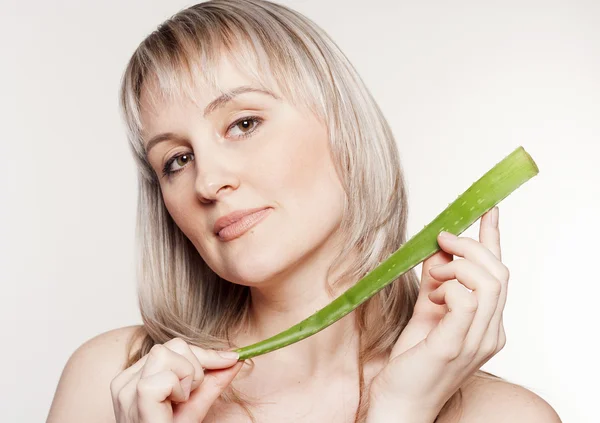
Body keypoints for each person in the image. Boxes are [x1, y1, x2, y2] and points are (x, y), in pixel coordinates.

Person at [47, 0, 561, 422]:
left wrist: (399, 410)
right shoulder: (113, 385)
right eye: (176, 160)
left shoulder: (505, 416)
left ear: (342, 127)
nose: (207, 181)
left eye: (243, 124)